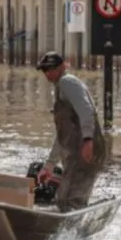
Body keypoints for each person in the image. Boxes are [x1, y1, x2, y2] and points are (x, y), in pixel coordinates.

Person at [35, 51, 108, 212]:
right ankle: (67, 228)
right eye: (45, 70)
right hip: (74, 153)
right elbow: (62, 136)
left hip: (85, 149)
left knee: (71, 200)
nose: (47, 73)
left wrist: (88, 140)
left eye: (50, 69)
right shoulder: (60, 88)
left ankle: (73, 232)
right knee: (64, 197)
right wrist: (49, 165)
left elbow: (86, 110)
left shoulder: (68, 82)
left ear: (62, 66)